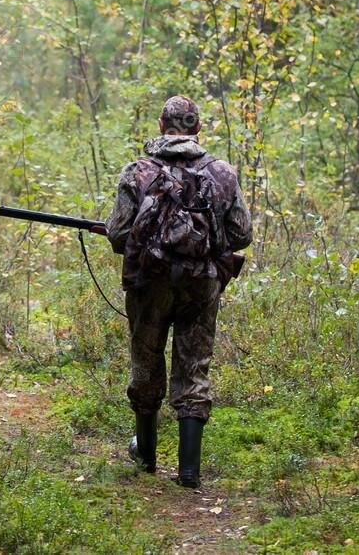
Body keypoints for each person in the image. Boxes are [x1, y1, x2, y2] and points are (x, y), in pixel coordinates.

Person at [104, 95, 253, 488]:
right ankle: (189, 472)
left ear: (160, 124)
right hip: (201, 285)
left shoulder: (138, 171)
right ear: (197, 128)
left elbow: (119, 234)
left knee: (146, 361)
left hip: (148, 284)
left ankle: (146, 459)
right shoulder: (223, 173)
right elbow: (242, 234)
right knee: (194, 366)